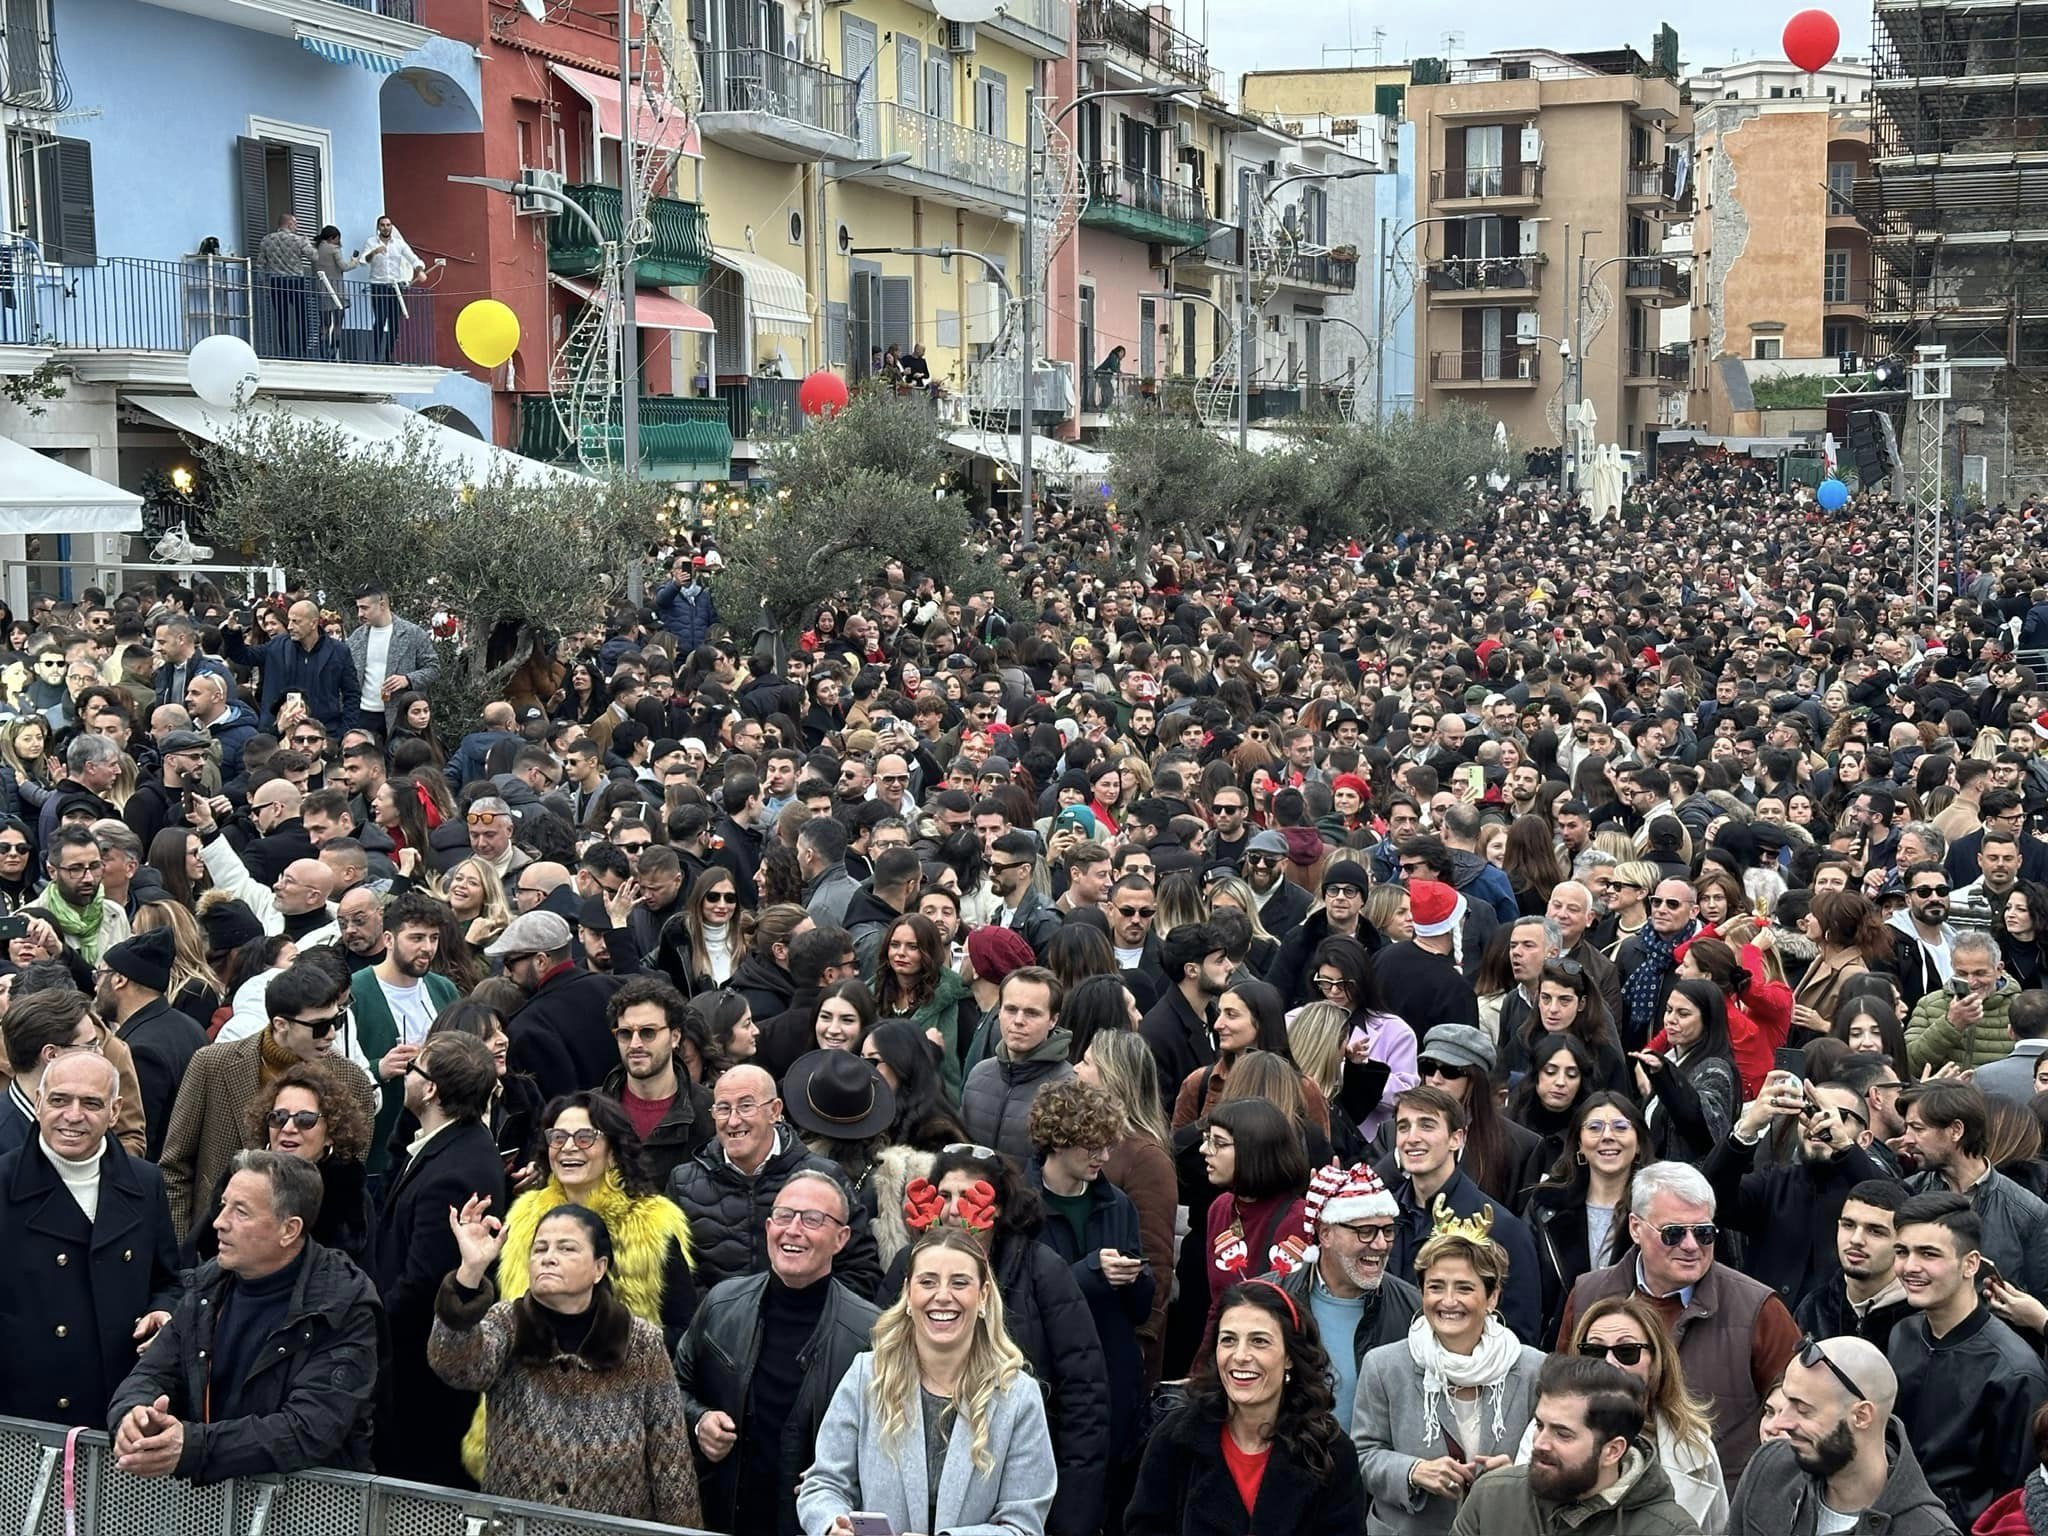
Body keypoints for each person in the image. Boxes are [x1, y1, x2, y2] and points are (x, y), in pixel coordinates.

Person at [108, 1150, 382, 1481]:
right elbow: (152, 1372)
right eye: (224, 1205)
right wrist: (132, 1417)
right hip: (213, 1503)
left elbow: (310, 1428)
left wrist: (195, 1447)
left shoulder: (343, 1304)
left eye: (241, 1212)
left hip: (310, 1510)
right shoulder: (207, 1286)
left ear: (289, 1230)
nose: (219, 1222)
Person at [431, 1196, 701, 1524]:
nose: (548, 1258)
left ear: (599, 1268)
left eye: (566, 1248)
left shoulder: (640, 1342)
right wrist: (470, 1272)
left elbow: (671, 1460)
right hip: (517, 1527)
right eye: (540, 1248)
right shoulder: (507, 1322)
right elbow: (454, 1365)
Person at [797, 1228, 1058, 1536]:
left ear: (984, 1295)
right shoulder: (867, 1375)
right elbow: (823, 1484)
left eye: (960, 1283)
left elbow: (1023, 1526)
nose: (943, 1296)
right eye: (928, 1282)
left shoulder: (1018, 1396)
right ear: (909, 1294)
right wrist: (832, 1525)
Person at [1557, 1160, 1801, 1485]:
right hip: (1603, 1496)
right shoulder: (1589, 1294)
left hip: (1715, 1507)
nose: (1691, 1246)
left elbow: (1797, 1410)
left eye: (1704, 1233)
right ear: (1635, 1228)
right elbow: (1560, 1394)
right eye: (1673, 1233)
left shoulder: (1758, 1308)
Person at [673, 1168, 881, 1536]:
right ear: (768, 1227)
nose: (794, 1229)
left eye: (813, 1219)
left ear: (841, 1238)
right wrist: (699, 1420)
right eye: (784, 1215)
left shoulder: (872, 1334)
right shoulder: (722, 1305)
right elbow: (671, 1389)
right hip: (723, 1519)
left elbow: (891, 1443)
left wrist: (839, 1485)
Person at [0, 1050, 180, 1427]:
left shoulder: (145, 1184)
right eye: (59, 1100)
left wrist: (163, 1312)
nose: (73, 1115)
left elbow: (168, 1280)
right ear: (38, 1103)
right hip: (22, 1411)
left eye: (91, 1103)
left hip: (115, 1406)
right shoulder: (3, 1181)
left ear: (115, 1112)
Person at [1352, 1209, 1548, 1534]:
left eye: (1464, 1288)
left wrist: (1517, 1474)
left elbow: (1555, 1459)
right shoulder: (1384, 1366)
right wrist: (1412, 1471)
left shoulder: (1533, 1369)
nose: (1448, 1301)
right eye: (1436, 1287)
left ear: (1492, 1296)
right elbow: (1362, 1455)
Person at [371, 1032, 508, 1489]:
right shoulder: (446, 1145)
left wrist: (369, 1331)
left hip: (420, 1383)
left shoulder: (458, 1170)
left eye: (415, 1069)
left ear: (430, 1089)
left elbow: (423, 1282)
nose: (405, 1074)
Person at [1124, 1279, 1366, 1535]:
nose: (1240, 1355)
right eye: (1228, 1340)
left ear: (1289, 1357)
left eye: (1259, 1341)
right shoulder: (1175, 1438)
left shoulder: (1330, 1451)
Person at [158, 960, 377, 1239]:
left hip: (306, 1253)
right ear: (281, 1024)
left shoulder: (352, 1081)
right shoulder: (211, 1065)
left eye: (337, 1020)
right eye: (320, 1026)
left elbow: (349, 1187)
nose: (332, 1034)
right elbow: (174, 1169)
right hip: (215, 1250)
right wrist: (183, 1255)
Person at [1026, 1078, 1156, 1511]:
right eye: (1091, 1147)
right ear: (1058, 1142)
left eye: (1107, 1145)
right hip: (1047, 1380)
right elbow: (1022, 1300)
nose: (1104, 1157)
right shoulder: (1022, 1205)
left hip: (1112, 1375)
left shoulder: (1116, 1204)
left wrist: (1138, 1278)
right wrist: (1090, 1273)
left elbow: (1140, 1311)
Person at [1887, 1190, 2048, 1528]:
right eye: (1902, 1251)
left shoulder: (2015, 1372)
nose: (1910, 1266)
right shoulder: (1902, 1334)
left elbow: (2015, 1501)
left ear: (1970, 1264)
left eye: (1928, 1253)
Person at [666, 1062, 884, 1298]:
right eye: (723, 1108)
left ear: (774, 1111)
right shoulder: (683, 1182)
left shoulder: (824, 1176)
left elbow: (860, 1270)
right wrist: (717, 1319)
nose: (733, 1120)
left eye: (746, 1106)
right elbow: (677, 1278)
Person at [1725, 1334, 1954, 1536]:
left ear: (1862, 1416)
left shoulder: (1927, 1530)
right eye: (1785, 1404)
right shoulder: (1769, 1468)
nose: (1782, 1423)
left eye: (1804, 1410)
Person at [1455, 1352, 1704, 1536]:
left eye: (1563, 1434)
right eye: (1540, 1425)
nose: (1540, 1443)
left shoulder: (1671, 1531)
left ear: (1612, 1451)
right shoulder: (1491, 1497)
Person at [1707, 1067, 1891, 1309]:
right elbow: (1710, 1200)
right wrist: (1746, 1129)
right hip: (1766, 1331)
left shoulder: (1872, 1183)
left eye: (1837, 1116)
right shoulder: (1773, 1182)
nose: (1819, 1123)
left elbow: (1898, 1208)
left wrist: (1844, 1148)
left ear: (1865, 1139)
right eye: (1811, 1111)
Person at [1544, 1295, 1727, 1530]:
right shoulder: (1544, 1430)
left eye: (1627, 1351)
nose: (1610, 1363)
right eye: (1594, 1351)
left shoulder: (1695, 1446)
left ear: (1655, 1362)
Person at [1260, 1161, 1421, 1422]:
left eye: (1388, 1231)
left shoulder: (1413, 1307)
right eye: (1366, 1231)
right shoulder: (1268, 1300)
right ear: (1325, 1234)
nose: (1380, 1245)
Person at [1383, 1085, 1543, 1345]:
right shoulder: (1382, 1215)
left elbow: (1520, 1335)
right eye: (1403, 1127)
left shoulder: (1500, 1228)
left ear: (1456, 1139)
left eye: (1427, 1125)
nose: (1412, 1137)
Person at [1898, 1081, 2048, 1296]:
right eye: (1906, 1128)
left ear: (1956, 1130)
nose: (1907, 1139)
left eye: (1918, 1128)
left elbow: (2040, 1298)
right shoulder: (1907, 1193)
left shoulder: (2027, 1212)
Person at [1523, 1094, 1650, 1344]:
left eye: (1621, 1127)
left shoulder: (1657, 1210)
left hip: (1637, 1349)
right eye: (1594, 1127)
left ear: (1639, 1142)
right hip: (1561, 1348)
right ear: (1579, 1143)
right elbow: (1527, 1288)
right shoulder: (1545, 1205)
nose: (1607, 1136)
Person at [96, 926, 207, 1160]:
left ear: (119, 980)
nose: (95, 987)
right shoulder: (190, 1026)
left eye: (99, 975)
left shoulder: (139, 1050)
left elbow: (142, 1137)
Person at [600, 975, 715, 1185]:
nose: (635, 1044)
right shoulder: (591, 1109)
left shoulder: (709, 1110)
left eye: (648, 1032)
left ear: (675, 1037)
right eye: (625, 1033)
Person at [1202, 1096, 1313, 1304]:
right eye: (1207, 1139)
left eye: (1218, 1143)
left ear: (1252, 1150)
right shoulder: (1221, 1208)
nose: (1204, 1150)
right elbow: (1216, 1305)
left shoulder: (1297, 1218)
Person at [961, 965, 1076, 1161]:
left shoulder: (1069, 1087)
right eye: (1011, 1009)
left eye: (1032, 1013)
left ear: (1053, 1020)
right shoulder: (978, 1075)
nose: (1018, 1021)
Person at [1793, 1178, 1917, 1349]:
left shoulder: (1920, 1320)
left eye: (1875, 1231)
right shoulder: (1814, 1308)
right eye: (1848, 1225)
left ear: (1902, 1243)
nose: (1856, 1239)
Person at [361, 216, 424, 363]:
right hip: (379, 286)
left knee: (395, 323)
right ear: (378, 227)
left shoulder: (399, 244)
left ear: (391, 227)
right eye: (382, 225)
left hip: (395, 287)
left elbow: (414, 259)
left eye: (388, 225)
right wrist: (374, 252)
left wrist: (419, 270)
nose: (385, 227)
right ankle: (376, 356)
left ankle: (389, 356)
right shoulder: (371, 242)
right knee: (380, 319)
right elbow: (363, 261)